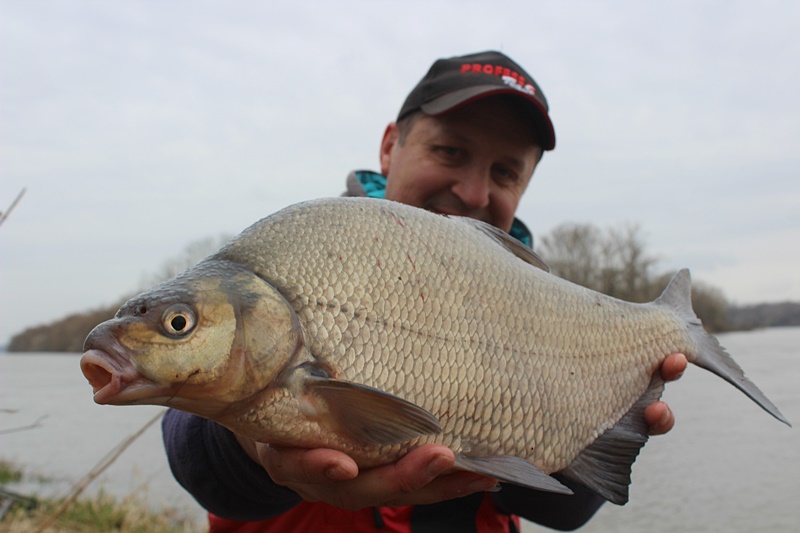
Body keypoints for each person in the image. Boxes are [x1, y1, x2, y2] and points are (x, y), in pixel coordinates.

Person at [162, 51, 688, 532]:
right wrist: (252, 444)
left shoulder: (550, 309)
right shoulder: (294, 258)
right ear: (391, 146)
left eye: (504, 172)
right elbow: (198, 461)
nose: (473, 192)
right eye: (451, 151)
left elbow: (563, 507)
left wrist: (617, 410)